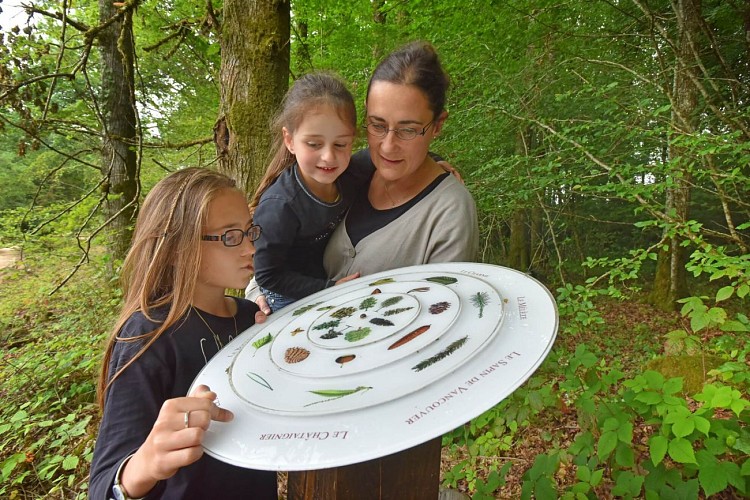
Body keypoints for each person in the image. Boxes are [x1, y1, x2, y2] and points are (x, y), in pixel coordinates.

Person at [89, 168, 277, 499]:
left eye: (250, 232)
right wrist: (145, 464)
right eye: (231, 236)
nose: (250, 249)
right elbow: (104, 488)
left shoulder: (252, 319)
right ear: (177, 247)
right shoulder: (147, 336)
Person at [322, 40, 478, 281]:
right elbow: (283, 236)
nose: (387, 146)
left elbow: (444, 311)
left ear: (438, 125)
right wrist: (263, 293)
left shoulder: (449, 212)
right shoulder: (346, 173)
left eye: (408, 130)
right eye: (378, 125)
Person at [249, 71, 364, 312]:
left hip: (326, 282)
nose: (329, 156)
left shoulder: (352, 173)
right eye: (314, 144)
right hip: (285, 297)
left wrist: (433, 162)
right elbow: (268, 275)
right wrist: (328, 288)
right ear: (289, 140)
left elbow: (386, 159)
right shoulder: (280, 206)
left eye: (341, 144)